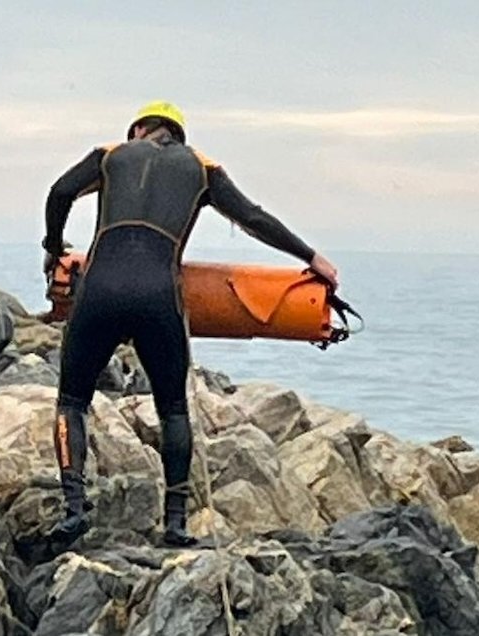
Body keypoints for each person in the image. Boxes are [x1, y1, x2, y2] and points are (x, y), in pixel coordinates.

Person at [41, 101, 338, 548]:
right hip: (159, 297)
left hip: (99, 291)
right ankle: (175, 523)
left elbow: (60, 192)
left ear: (140, 129)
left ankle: (74, 508)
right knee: (173, 408)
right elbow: (253, 219)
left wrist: (53, 245)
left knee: (72, 400)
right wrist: (311, 257)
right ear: (177, 134)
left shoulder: (111, 153)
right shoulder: (203, 167)